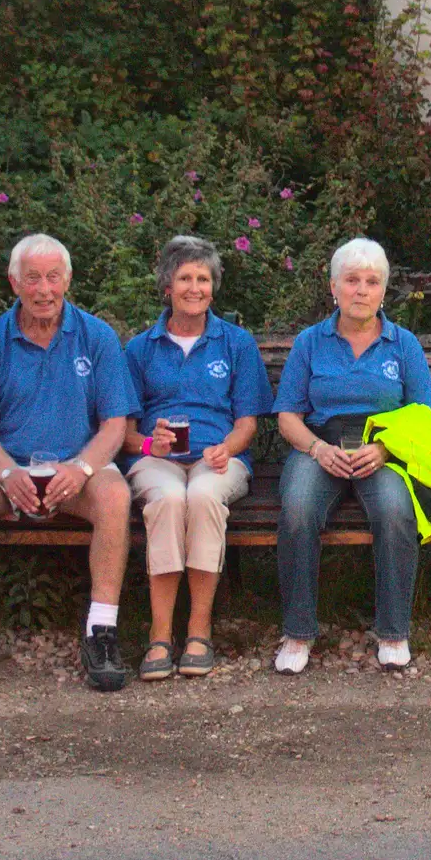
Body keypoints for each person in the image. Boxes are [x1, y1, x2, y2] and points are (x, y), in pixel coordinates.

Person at [0, 234, 137, 691]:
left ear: (67, 279)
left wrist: (81, 469)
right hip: (4, 469)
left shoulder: (97, 336)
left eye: (52, 277)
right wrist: (7, 473)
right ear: (13, 283)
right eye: (32, 278)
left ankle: (101, 631)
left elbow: (114, 426)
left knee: (116, 495)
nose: (43, 289)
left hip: (75, 468)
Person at [271, 238, 431, 675]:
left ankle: (394, 631)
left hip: (382, 449)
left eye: (372, 281)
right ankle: (298, 631)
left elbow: (425, 416)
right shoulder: (310, 343)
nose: (361, 290)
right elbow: (286, 415)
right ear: (334, 287)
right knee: (298, 508)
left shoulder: (404, 344)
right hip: (319, 444)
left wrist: (385, 449)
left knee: (396, 510)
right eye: (352, 280)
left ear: (384, 291)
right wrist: (317, 448)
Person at [122, 236, 271, 681]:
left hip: (218, 459)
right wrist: (152, 446)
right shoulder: (140, 348)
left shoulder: (236, 343)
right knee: (168, 498)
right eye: (184, 277)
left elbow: (248, 421)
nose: (194, 287)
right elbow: (123, 433)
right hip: (158, 458)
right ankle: (160, 632)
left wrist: (229, 446)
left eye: (203, 279)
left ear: (214, 287)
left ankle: (199, 629)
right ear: (167, 286)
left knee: (204, 495)